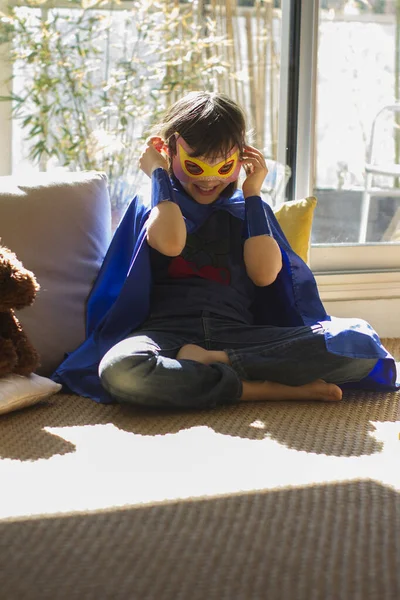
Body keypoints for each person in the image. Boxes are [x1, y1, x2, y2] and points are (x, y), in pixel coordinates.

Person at [52, 91, 397, 407]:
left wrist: (253, 194)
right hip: (166, 336)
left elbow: (265, 275)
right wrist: (159, 177)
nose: (209, 179)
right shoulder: (157, 206)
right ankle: (261, 389)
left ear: (242, 157)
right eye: (194, 165)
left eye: (223, 167)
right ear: (166, 149)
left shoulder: (246, 208)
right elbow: (170, 242)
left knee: (359, 344)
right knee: (121, 369)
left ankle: (220, 366)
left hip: (240, 336)